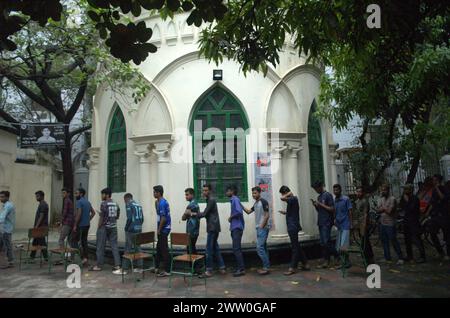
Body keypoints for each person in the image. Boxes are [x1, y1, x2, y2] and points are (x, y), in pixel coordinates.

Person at [278, 186, 310, 275]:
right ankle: (305, 263)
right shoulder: (293, 200)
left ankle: (292, 267)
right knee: (297, 245)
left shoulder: (292, 198)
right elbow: (293, 212)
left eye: (282, 193)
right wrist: (285, 213)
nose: (282, 195)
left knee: (295, 248)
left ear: (285, 192)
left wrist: (289, 193)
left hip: (293, 226)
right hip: (293, 225)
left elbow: (282, 198)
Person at [197, 184, 226, 277]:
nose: (204, 192)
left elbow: (205, 213)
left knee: (208, 249)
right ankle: (222, 267)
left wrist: (193, 214)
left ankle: (209, 270)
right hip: (214, 227)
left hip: (212, 227)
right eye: (203, 190)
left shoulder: (211, 200)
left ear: (210, 191)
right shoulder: (210, 199)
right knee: (215, 248)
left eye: (206, 190)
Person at [90, 187, 122, 273]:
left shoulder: (104, 204)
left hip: (104, 227)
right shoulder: (116, 203)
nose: (101, 196)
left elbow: (102, 217)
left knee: (100, 246)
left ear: (106, 195)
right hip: (113, 226)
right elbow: (118, 216)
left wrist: (98, 226)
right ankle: (117, 265)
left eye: (102, 194)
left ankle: (99, 265)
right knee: (114, 246)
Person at [242, 186, 272, 275]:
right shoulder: (256, 204)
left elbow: (267, 215)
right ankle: (266, 266)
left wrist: (261, 226)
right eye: (252, 193)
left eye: (255, 193)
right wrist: (240, 204)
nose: (253, 195)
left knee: (259, 248)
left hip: (262, 228)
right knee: (264, 248)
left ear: (259, 193)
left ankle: (266, 267)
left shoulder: (263, 202)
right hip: (259, 228)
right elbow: (248, 211)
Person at [311, 181, 339, 268]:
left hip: (327, 222)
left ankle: (337, 255)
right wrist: (316, 205)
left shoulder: (328, 195)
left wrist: (320, 204)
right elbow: (320, 210)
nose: (316, 191)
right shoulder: (319, 197)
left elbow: (332, 209)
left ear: (320, 187)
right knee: (323, 243)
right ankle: (326, 261)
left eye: (316, 189)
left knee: (326, 242)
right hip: (321, 221)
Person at [118, 193, 144, 275]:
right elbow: (142, 218)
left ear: (126, 198)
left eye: (124, 200)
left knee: (127, 248)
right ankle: (140, 267)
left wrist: (126, 227)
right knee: (138, 248)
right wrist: (139, 226)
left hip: (131, 230)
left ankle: (124, 269)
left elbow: (129, 218)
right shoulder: (138, 205)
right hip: (138, 229)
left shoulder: (128, 204)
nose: (124, 202)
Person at [399, 184, 426, 263]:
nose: (404, 191)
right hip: (407, 222)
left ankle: (422, 256)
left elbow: (412, 209)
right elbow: (402, 208)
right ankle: (409, 256)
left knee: (417, 240)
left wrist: (407, 201)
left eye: (406, 189)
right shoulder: (405, 198)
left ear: (410, 190)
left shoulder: (414, 199)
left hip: (413, 222)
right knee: (407, 240)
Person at [378, 184, 404, 265]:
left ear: (388, 190)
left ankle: (400, 258)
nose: (383, 191)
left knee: (393, 240)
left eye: (384, 190)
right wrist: (383, 208)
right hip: (382, 223)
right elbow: (378, 210)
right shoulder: (381, 199)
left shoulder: (392, 199)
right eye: (382, 190)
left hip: (390, 223)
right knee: (384, 241)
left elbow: (389, 211)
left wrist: (383, 208)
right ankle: (387, 258)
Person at [427, 174, 450, 260]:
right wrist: (428, 212)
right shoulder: (433, 191)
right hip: (436, 215)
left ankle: (448, 254)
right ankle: (440, 252)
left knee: (447, 235)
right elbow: (432, 202)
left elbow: (443, 198)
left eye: (434, 180)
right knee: (432, 233)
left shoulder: (445, 189)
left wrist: (437, 188)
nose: (433, 181)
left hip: (444, 215)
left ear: (438, 180)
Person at [181, 188, 202, 275]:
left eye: (187, 194)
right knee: (193, 249)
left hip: (191, 231)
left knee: (190, 250)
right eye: (185, 194)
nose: (186, 196)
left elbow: (183, 217)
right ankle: (197, 268)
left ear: (192, 195)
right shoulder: (196, 204)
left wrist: (186, 215)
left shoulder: (191, 205)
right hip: (195, 230)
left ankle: (194, 269)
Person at [226, 185, 245, 277]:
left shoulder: (235, 199)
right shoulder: (234, 200)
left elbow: (239, 212)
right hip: (235, 227)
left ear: (232, 191)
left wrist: (231, 217)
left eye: (227, 191)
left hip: (237, 227)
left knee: (236, 248)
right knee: (237, 248)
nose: (226, 193)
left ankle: (241, 269)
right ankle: (239, 267)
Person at [73, 188, 95, 266]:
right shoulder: (87, 202)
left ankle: (83, 258)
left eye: (76, 193)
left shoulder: (79, 202)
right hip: (87, 225)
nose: (75, 195)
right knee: (84, 242)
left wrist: (75, 225)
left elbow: (79, 214)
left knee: (76, 242)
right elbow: (93, 213)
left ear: (81, 194)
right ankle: (86, 258)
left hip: (81, 225)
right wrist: (88, 219)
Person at [332, 184, 352, 269]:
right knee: (339, 245)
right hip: (339, 225)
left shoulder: (346, 199)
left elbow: (350, 211)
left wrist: (351, 223)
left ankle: (343, 263)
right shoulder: (335, 200)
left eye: (337, 190)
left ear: (340, 190)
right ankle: (346, 262)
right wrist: (334, 219)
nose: (335, 192)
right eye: (334, 190)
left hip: (346, 224)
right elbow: (335, 211)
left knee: (343, 245)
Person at [353, 186, 374, 265]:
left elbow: (365, 214)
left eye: (360, 192)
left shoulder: (365, 201)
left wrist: (364, 225)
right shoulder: (357, 201)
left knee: (365, 242)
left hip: (364, 224)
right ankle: (366, 257)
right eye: (357, 191)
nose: (358, 193)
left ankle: (369, 258)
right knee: (362, 242)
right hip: (359, 224)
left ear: (363, 193)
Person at [153, 185, 171, 277]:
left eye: (155, 192)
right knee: (159, 249)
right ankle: (156, 267)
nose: (153, 193)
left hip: (164, 229)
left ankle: (167, 270)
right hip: (162, 228)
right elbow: (158, 214)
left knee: (164, 250)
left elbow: (163, 218)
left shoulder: (162, 203)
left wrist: (159, 230)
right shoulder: (158, 202)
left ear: (159, 193)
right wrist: (156, 204)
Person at [29, 190, 49, 262]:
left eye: (38, 196)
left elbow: (41, 216)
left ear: (42, 196)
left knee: (41, 243)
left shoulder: (43, 204)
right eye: (36, 196)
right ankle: (32, 258)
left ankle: (46, 258)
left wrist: (36, 227)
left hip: (41, 227)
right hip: (40, 227)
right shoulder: (42, 204)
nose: (36, 197)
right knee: (36, 242)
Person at [0, 191, 15, 269]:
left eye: (2, 197)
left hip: (6, 229)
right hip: (4, 229)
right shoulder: (7, 205)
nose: (1, 198)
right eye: (0, 196)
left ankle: (10, 262)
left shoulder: (8, 206)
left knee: (7, 246)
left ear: (7, 197)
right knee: (4, 245)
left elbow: (2, 218)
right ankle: (9, 261)